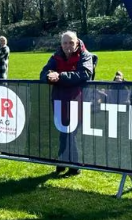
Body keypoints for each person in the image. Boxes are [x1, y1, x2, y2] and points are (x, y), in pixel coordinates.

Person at [40, 31, 94, 177]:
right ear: (61, 44)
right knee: (63, 131)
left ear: (77, 42)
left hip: (79, 99)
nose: (68, 45)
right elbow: (44, 72)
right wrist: (49, 75)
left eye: (71, 42)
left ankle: (73, 166)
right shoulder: (56, 55)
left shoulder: (85, 55)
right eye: (65, 43)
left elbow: (84, 74)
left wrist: (60, 76)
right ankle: (63, 162)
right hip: (59, 99)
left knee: (71, 132)